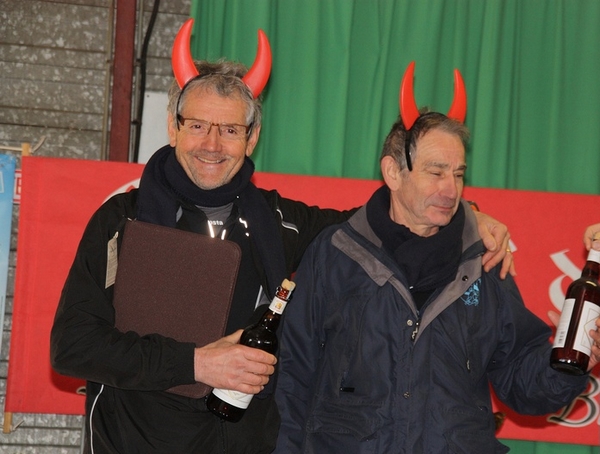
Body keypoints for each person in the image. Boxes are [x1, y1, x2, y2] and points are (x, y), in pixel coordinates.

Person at [50, 22, 512, 454]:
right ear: (173, 128)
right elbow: (73, 345)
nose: (212, 144)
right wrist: (195, 364)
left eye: (230, 130)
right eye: (197, 125)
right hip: (132, 442)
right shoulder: (121, 220)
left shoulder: (282, 223)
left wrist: (463, 214)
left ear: (252, 139)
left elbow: (386, 222)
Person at [273, 64, 595, 453]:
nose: (450, 189)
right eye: (435, 172)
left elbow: (522, 385)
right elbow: (292, 378)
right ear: (393, 172)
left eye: (458, 174)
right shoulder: (335, 254)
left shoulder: (485, 261)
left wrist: (570, 362)